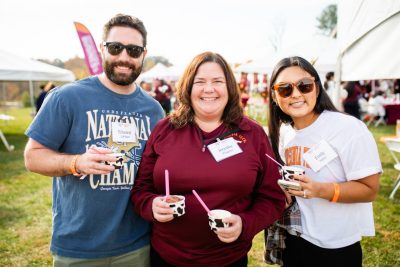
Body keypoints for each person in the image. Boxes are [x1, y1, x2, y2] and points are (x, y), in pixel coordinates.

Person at [24, 14, 164, 267]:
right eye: (115, 47)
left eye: (133, 50)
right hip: (78, 247)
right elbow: (32, 156)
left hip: (136, 244)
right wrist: (76, 162)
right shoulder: (66, 97)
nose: (124, 57)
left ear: (144, 53)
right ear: (102, 48)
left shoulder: (154, 110)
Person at [131, 51, 285, 267]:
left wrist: (244, 224)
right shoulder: (164, 130)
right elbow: (140, 189)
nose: (209, 89)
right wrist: (151, 205)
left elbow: (273, 198)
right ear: (188, 87)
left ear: (229, 87)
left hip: (228, 260)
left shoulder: (253, 134)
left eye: (217, 81)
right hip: (166, 257)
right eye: (200, 81)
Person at [267, 56, 381, 267]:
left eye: (304, 86)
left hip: (335, 247)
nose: (296, 94)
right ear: (274, 96)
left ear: (317, 88)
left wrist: (320, 190)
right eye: (285, 89)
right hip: (294, 238)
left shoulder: (347, 128)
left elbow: (370, 190)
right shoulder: (283, 132)